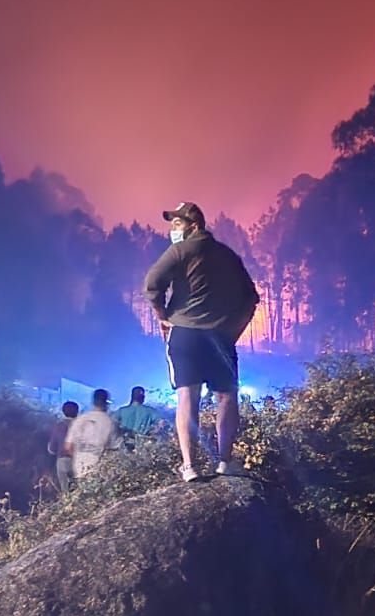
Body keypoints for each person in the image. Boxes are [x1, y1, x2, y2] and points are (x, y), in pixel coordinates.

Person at [143, 201, 260, 481]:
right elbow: (251, 299)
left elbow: (151, 285)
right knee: (226, 397)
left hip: (184, 333)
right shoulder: (228, 255)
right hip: (220, 336)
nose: (172, 229)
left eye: (177, 223)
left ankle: (189, 466)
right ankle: (225, 461)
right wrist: (235, 330)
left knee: (187, 397)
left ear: (193, 226)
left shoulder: (180, 250)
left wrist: (162, 316)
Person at [65, 389, 122, 481]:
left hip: (79, 468)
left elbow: (68, 447)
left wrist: (78, 456)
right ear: (106, 403)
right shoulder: (110, 422)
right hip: (99, 471)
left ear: (93, 402)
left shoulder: (80, 419)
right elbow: (115, 448)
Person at [47, 401, 79, 493]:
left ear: (63, 411)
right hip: (79, 461)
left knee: (66, 492)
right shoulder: (81, 425)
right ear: (77, 412)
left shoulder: (58, 426)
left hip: (63, 461)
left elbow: (52, 449)